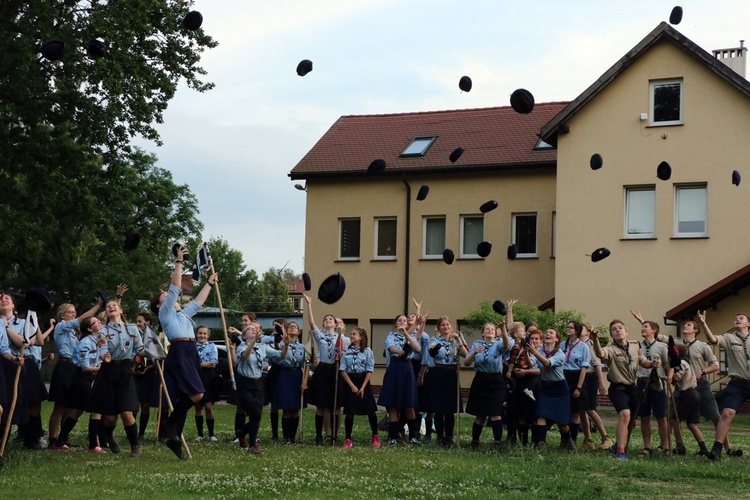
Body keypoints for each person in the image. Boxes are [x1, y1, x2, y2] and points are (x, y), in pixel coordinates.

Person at [150, 246, 218, 459]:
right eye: (163, 295)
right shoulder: (165, 312)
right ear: (160, 304)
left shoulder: (183, 315)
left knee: (187, 397)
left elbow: (198, 302)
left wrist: (209, 282)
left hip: (190, 352)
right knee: (197, 394)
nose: (167, 295)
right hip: (179, 350)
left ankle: (174, 438)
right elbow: (175, 287)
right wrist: (179, 261)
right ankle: (170, 425)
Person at [590, 319, 658, 460]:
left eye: (620, 328)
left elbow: (643, 362)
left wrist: (653, 363)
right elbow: (600, 354)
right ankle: (620, 451)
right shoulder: (610, 348)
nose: (618, 330)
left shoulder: (635, 346)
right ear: (612, 335)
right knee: (625, 415)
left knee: (631, 422)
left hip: (633, 388)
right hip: (618, 388)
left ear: (626, 331)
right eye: (614, 330)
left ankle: (616, 445)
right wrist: (595, 338)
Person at [89, 298, 146, 457]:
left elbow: (139, 350)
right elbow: (102, 348)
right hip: (108, 370)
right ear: (106, 313)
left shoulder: (132, 329)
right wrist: (105, 356)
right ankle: (108, 435)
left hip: (125, 370)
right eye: (108, 307)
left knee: (127, 412)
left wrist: (150, 352)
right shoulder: (103, 331)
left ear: (120, 310)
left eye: (114, 305)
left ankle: (134, 446)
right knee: (110, 417)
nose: (111, 307)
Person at [47, 298, 101, 447]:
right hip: (65, 365)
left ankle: (63, 439)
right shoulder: (61, 326)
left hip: (74, 368)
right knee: (60, 405)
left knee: (71, 405)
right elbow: (83, 319)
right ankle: (53, 438)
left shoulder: (74, 333)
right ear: (62, 314)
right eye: (70, 312)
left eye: (74, 312)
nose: (73, 314)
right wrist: (97, 305)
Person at [700, 311, 750, 460]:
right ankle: (717, 449)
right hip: (737, 384)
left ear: (748, 324)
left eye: (741, 318)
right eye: (735, 319)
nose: (737, 320)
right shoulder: (729, 338)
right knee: (727, 414)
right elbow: (713, 339)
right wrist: (703, 323)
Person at [303, 292, 350, 445]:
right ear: (323, 324)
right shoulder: (320, 335)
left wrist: (341, 328)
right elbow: (311, 323)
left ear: (335, 324)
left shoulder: (343, 338)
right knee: (321, 406)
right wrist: (309, 304)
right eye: (326, 319)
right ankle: (319, 435)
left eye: (331, 319)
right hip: (323, 370)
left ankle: (334, 435)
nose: (328, 320)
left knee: (336, 406)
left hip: (336, 371)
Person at [235, 324, 288, 455]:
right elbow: (245, 355)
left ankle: (242, 434)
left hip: (258, 384)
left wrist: (286, 345)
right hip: (244, 384)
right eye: (249, 329)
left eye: (255, 329)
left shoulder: (263, 347)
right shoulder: (241, 346)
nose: (253, 330)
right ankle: (252, 444)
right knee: (255, 412)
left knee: (256, 415)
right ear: (244, 335)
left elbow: (281, 355)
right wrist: (252, 342)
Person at [464, 321, 511, 450]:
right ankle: (474, 442)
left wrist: (503, 329)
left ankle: (497, 443)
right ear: (482, 333)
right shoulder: (476, 344)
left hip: (495, 381)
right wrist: (473, 353)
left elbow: (506, 345)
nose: (490, 330)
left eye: (492, 329)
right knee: (480, 415)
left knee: (496, 413)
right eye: (487, 329)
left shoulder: (498, 344)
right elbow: (467, 362)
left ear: (495, 333)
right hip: (481, 379)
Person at [422, 315, 467, 448]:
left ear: (451, 326)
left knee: (450, 408)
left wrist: (459, 340)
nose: (446, 327)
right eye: (443, 325)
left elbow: (465, 354)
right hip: (438, 373)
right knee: (439, 408)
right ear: (438, 328)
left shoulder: (455, 340)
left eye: (448, 325)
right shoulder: (434, 340)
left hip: (451, 374)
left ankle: (449, 435)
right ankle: (440, 436)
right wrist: (437, 347)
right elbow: (432, 353)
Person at [378, 313, 423, 446]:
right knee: (393, 406)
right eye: (400, 320)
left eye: (404, 320)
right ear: (396, 324)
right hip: (395, 368)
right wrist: (399, 351)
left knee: (409, 405)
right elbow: (391, 347)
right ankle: (392, 436)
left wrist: (408, 334)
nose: (402, 322)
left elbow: (417, 348)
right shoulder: (391, 336)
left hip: (407, 369)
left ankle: (413, 437)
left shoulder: (410, 336)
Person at [527, 328, 574, 453]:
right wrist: (527, 354)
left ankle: (567, 440)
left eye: (551, 333)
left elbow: (547, 363)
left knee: (562, 423)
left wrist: (534, 352)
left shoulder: (560, 353)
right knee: (541, 415)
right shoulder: (540, 350)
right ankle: (541, 445)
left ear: (557, 339)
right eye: (546, 332)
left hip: (560, 389)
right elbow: (531, 363)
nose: (547, 334)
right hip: (545, 387)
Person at [632, 319, 671, 458]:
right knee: (644, 416)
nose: (643, 329)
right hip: (642, 382)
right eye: (642, 327)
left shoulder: (661, 346)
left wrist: (669, 376)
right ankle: (647, 446)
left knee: (661, 416)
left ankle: (666, 445)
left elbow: (669, 364)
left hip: (657, 383)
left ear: (654, 330)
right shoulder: (637, 347)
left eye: (645, 327)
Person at [339, 327, 379, 448]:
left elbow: (369, 369)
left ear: (361, 337)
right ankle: (348, 438)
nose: (351, 336)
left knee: (370, 411)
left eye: (354, 334)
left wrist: (362, 387)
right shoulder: (346, 351)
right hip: (350, 381)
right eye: (350, 334)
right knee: (350, 411)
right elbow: (342, 369)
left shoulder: (367, 351)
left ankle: (375, 435)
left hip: (364, 382)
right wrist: (352, 386)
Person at [669, 344, 709, 456]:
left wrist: (669, 373)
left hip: (686, 395)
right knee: (691, 423)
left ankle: (680, 446)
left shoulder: (680, 363)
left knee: (674, 419)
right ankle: (703, 449)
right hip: (694, 394)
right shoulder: (687, 363)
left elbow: (677, 377)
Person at [272, 321, 309, 444]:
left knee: (295, 408)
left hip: (297, 375)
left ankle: (293, 437)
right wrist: (281, 340)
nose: (293, 328)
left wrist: (305, 381)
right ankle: (286, 436)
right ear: (286, 330)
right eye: (290, 327)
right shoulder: (281, 344)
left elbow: (307, 364)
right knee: (286, 407)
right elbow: (277, 356)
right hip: (285, 374)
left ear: (298, 331)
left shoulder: (303, 347)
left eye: (295, 327)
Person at [580, 324, 612, 451]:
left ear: (588, 332)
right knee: (582, 410)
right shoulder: (578, 344)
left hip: (590, 377)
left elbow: (597, 363)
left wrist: (601, 383)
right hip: (581, 377)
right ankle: (588, 439)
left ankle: (606, 437)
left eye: (581, 328)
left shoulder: (589, 343)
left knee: (590, 409)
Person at [560, 321, 591, 448]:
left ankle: (573, 440)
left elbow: (584, 368)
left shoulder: (583, 347)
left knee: (576, 412)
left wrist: (578, 387)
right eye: (567, 327)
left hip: (577, 377)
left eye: (570, 327)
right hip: (563, 377)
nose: (568, 329)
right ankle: (564, 439)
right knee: (563, 410)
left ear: (577, 331)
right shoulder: (562, 345)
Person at [227, 312, 255, 446]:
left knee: (254, 408)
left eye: (246, 321)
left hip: (255, 377)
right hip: (242, 375)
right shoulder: (240, 340)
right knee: (241, 407)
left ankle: (252, 434)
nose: (243, 323)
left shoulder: (258, 337)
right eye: (242, 321)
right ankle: (238, 433)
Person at [134, 313, 157, 444]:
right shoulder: (135, 335)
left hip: (149, 372)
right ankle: (132, 431)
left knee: (145, 404)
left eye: (140, 321)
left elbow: (158, 354)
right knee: (134, 404)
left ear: (147, 322)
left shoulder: (153, 336)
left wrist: (151, 367)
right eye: (137, 321)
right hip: (136, 372)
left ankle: (141, 433)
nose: (137, 324)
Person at [194, 325, 219, 442]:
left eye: (204, 333)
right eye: (200, 333)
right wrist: (204, 364)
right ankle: (200, 434)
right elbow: (190, 363)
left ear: (208, 335)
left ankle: (211, 434)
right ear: (196, 334)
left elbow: (213, 362)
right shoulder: (193, 346)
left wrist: (199, 364)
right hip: (196, 376)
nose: (202, 335)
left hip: (208, 377)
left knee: (208, 406)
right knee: (198, 406)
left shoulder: (211, 346)